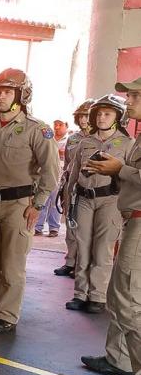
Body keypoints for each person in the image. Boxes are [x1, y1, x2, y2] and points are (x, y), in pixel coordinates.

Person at [0, 68, 60, 333]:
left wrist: (38, 204)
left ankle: (6, 315)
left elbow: (51, 171)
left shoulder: (38, 130)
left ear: (22, 95)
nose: (1, 97)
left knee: (12, 266)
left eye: (8, 92)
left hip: (19, 206)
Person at [81, 76, 141, 375]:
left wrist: (120, 170)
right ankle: (119, 359)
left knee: (129, 300)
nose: (128, 101)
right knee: (120, 296)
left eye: (134, 96)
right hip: (133, 219)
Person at [64, 95, 134, 314]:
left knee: (103, 248)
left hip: (111, 200)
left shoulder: (128, 144)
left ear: (118, 117)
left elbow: (130, 177)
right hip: (84, 198)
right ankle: (80, 293)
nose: (101, 117)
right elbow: (73, 174)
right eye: (98, 114)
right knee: (82, 245)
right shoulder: (85, 142)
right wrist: (67, 202)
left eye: (107, 114)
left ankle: (97, 295)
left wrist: (128, 207)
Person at [55, 100, 93, 277]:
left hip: (88, 187)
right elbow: (68, 164)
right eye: (81, 116)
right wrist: (64, 187)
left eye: (86, 116)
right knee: (70, 224)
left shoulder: (98, 139)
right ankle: (70, 261)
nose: (83, 120)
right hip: (71, 185)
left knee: (85, 228)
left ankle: (82, 264)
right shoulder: (73, 138)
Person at [34, 119, 68, 236]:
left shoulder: (69, 140)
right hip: (46, 173)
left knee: (55, 202)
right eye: (55, 125)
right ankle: (38, 227)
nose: (57, 127)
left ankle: (54, 227)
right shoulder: (49, 137)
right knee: (42, 200)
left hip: (60, 175)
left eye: (60, 125)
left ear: (66, 126)